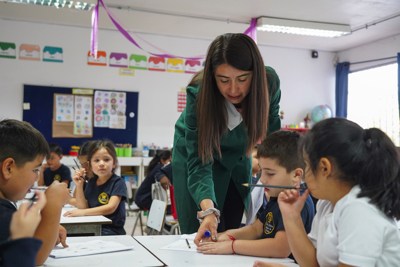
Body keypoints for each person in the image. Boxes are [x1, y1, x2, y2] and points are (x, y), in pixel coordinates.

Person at [172, 33, 282, 245]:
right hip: (196, 157)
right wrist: (209, 211)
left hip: (238, 155)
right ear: (213, 78)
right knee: (203, 231)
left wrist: (279, 179)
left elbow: (275, 141)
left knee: (231, 227)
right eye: (223, 80)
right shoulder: (199, 92)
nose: (233, 90)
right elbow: (198, 162)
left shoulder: (269, 83)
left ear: (255, 74)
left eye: (242, 79)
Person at [255, 118, 400, 267]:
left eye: (306, 165)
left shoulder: (359, 209)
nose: (304, 174)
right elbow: (313, 263)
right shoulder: (327, 203)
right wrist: (291, 217)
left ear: (325, 168)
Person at [197, 130, 315, 260]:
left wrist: (232, 246)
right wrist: (225, 236)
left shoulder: (297, 202)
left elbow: (280, 248)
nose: (262, 179)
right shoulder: (277, 197)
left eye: (270, 173)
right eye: (261, 170)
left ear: (296, 175)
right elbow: (255, 230)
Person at [0, 119, 71, 265]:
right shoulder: (2, 215)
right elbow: (35, 258)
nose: (37, 177)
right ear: (8, 168)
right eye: (35, 170)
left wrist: (48, 228)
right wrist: (52, 205)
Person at [63, 140, 127, 235]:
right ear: (91, 165)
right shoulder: (92, 181)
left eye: (106, 160)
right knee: (64, 234)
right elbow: (82, 206)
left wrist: (83, 212)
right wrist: (79, 185)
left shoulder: (118, 182)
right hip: (92, 225)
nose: (101, 163)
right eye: (96, 160)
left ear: (114, 163)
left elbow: (110, 208)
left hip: (110, 230)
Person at [0, 190, 46, 267]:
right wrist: (22, 237)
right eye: (35, 176)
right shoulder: (3, 214)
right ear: (7, 176)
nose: (36, 179)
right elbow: (38, 259)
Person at [68, 140, 96, 206]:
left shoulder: (102, 179)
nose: (83, 168)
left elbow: (88, 204)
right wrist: (79, 184)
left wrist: (65, 199)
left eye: (86, 164)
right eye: (81, 164)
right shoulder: (86, 177)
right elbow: (76, 198)